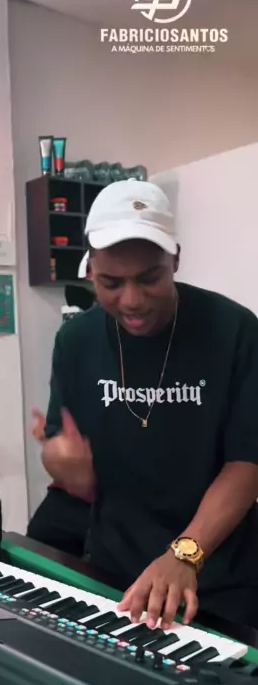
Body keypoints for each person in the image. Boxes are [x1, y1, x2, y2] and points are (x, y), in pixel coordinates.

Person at [39, 178, 258, 631]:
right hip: (116, 577)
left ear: (174, 259)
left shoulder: (236, 331)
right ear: (89, 270)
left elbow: (248, 462)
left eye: (149, 278)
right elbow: (66, 451)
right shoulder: (75, 342)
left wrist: (185, 554)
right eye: (111, 283)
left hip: (219, 578)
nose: (132, 301)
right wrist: (63, 465)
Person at [26, 409, 90, 558]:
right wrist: (54, 441)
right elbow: (55, 431)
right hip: (67, 494)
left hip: (123, 499)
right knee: (35, 542)